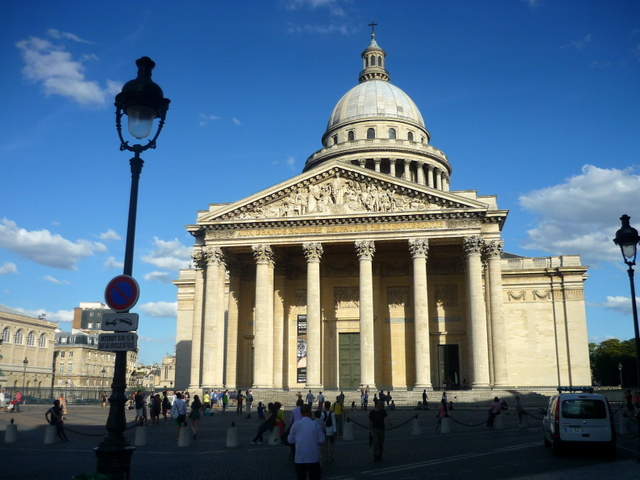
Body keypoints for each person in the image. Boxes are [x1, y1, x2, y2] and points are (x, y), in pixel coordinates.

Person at [288, 404, 325, 480]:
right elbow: (322, 440)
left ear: (301, 413)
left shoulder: (296, 424)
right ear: (310, 412)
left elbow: (290, 440)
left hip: (300, 457)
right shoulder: (315, 424)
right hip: (313, 457)